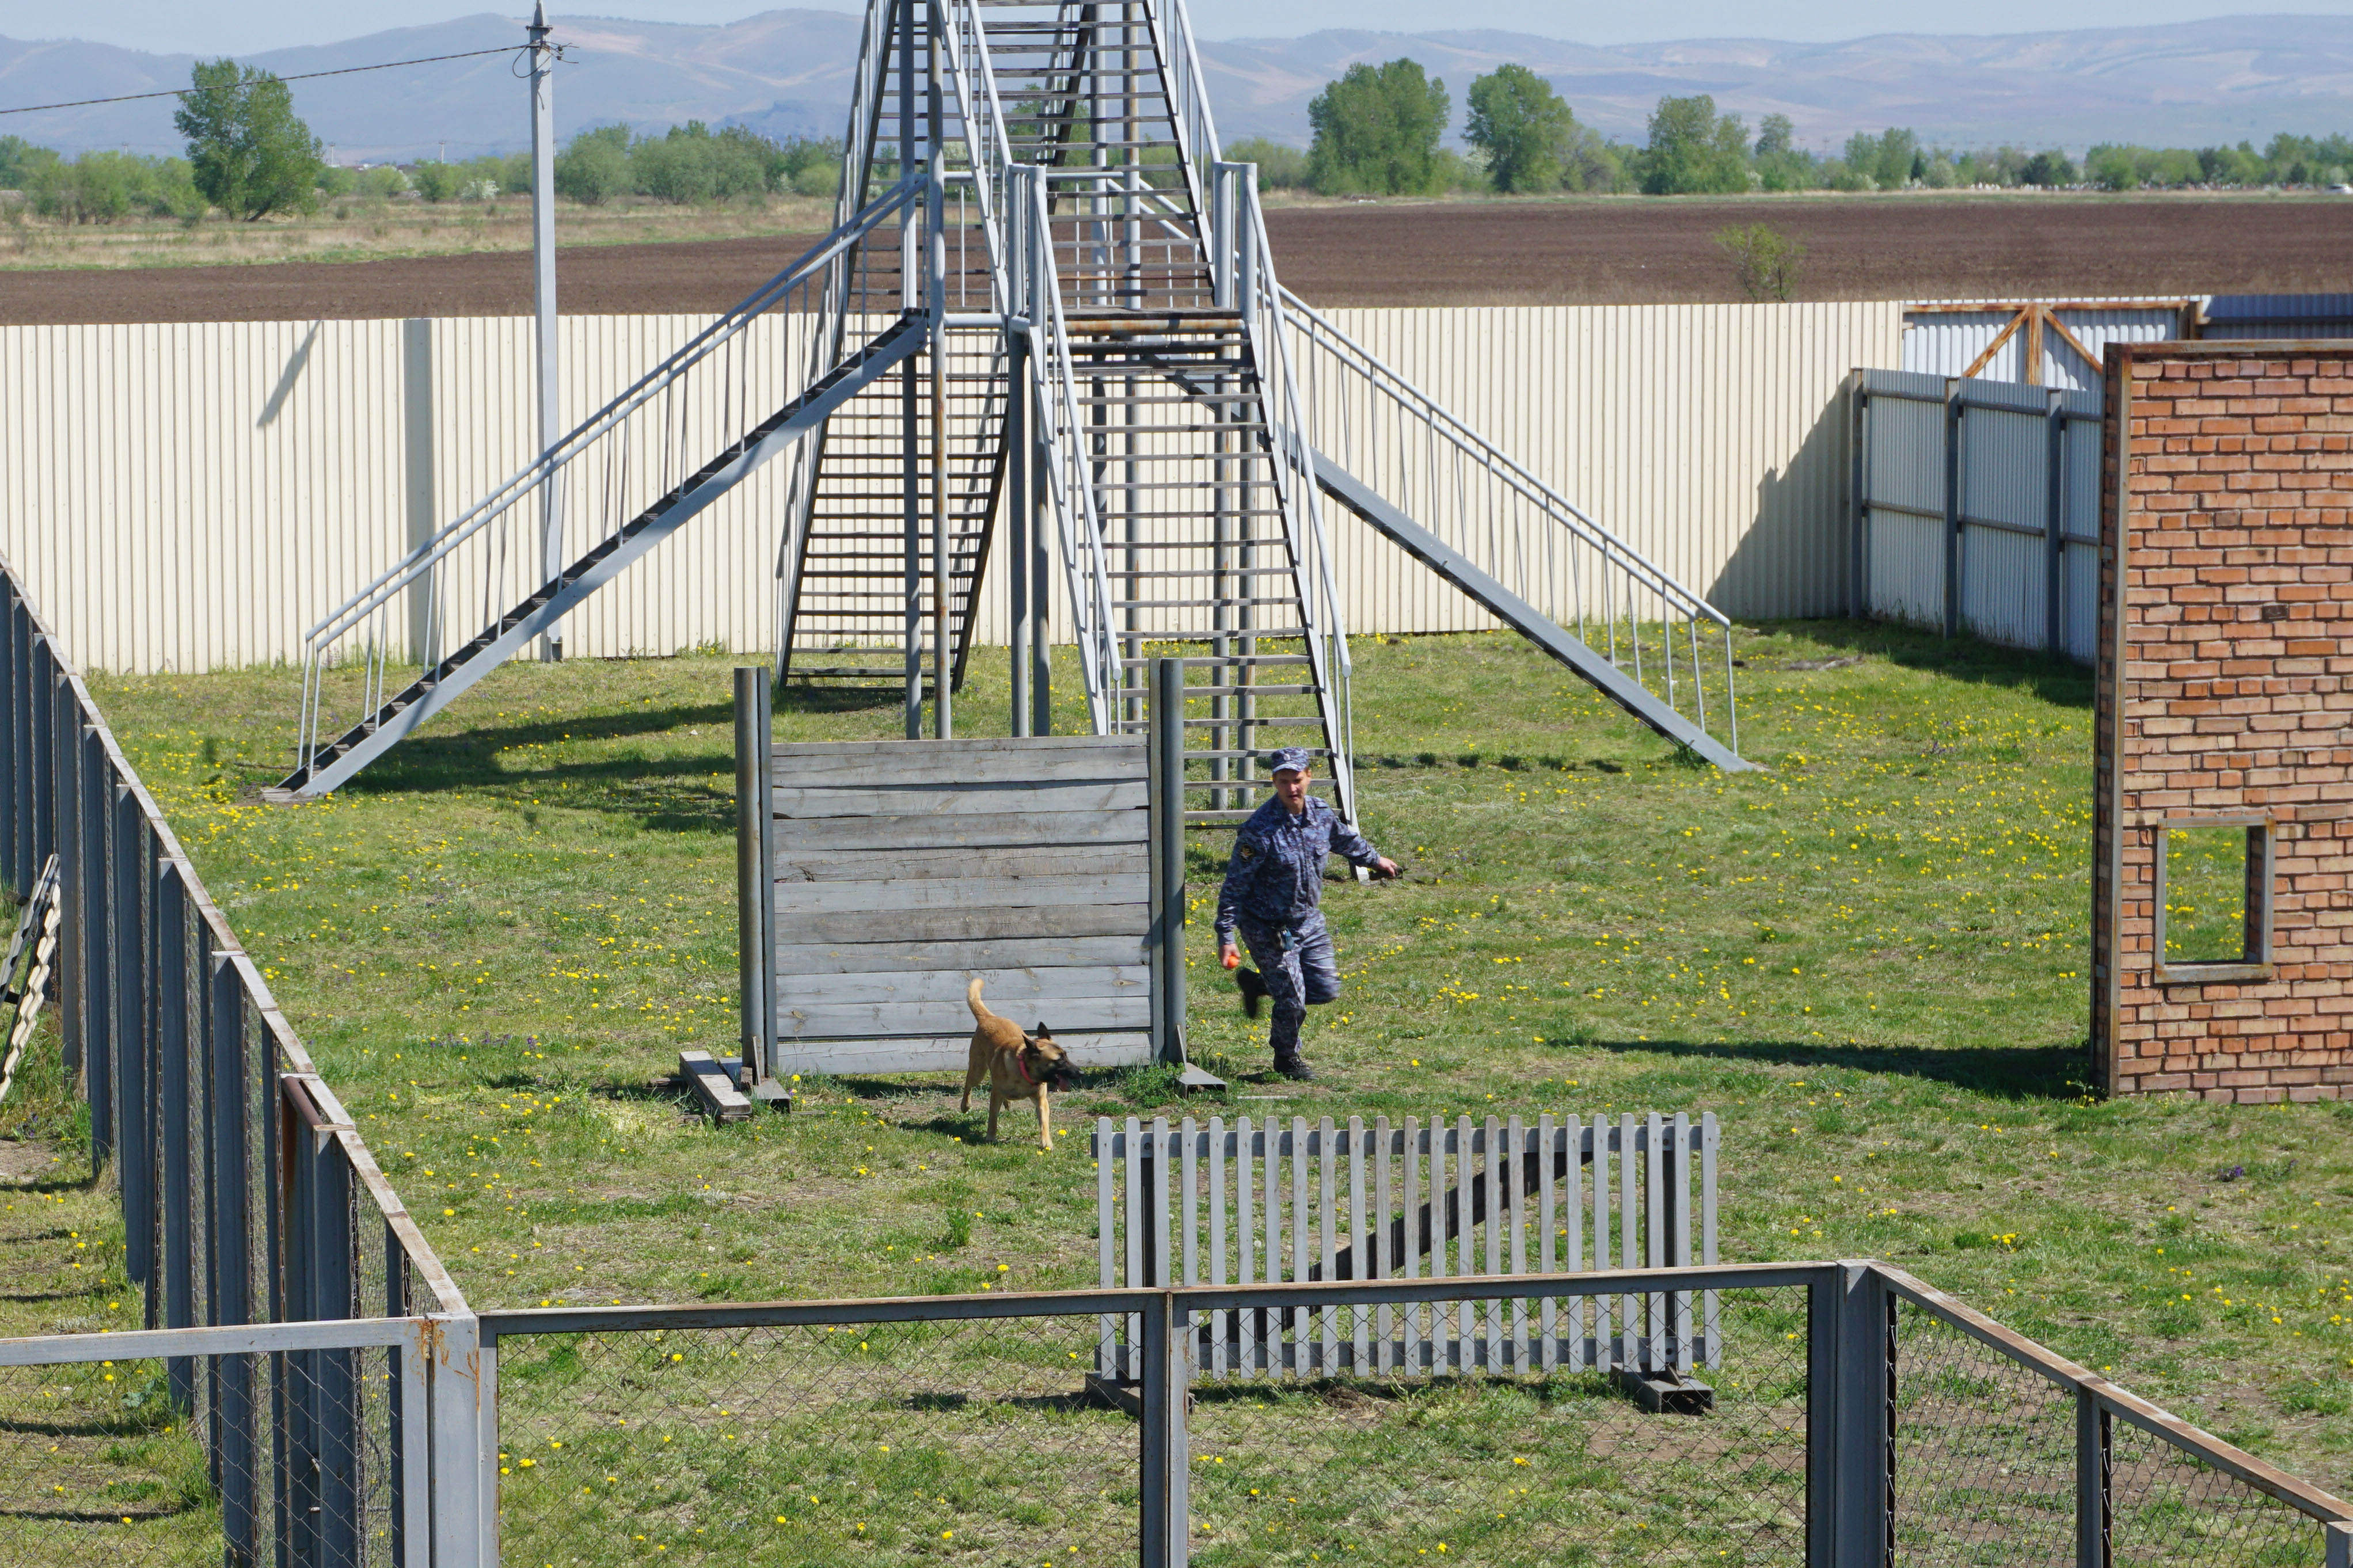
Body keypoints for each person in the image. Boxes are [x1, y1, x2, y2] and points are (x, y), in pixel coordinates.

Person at [1214, 747, 1398, 1081]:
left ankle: (1260, 985)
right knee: (1293, 999)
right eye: (1283, 782)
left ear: (1309, 777)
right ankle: (1287, 1058)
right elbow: (1234, 886)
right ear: (1274, 783)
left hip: (1308, 921)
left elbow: (1345, 841)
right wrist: (1226, 936)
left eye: (1297, 780)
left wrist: (1376, 861)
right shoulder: (1259, 830)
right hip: (1266, 926)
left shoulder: (1320, 813)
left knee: (1325, 990)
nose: (1292, 789)